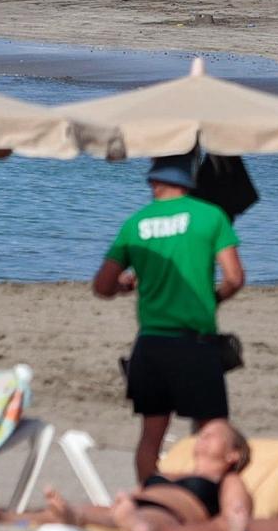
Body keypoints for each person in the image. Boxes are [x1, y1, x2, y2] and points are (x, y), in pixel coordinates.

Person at [95, 155, 246, 482]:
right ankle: (208, 504)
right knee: (214, 431)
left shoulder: (135, 223)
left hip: (151, 344)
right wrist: (211, 300)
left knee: (151, 435)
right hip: (195, 343)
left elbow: (102, 286)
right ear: (189, 181)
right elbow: (234, 277)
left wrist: (124, 286)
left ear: (155, 181)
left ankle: (151, 503)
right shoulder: (210, 216)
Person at [0, 419, 252, 531]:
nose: (203, 436)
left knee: (132, 516)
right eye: (202, 433)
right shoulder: (172, 471)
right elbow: (138, 493)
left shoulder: (226, 479)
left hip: (171, 517)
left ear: (232, 454)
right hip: (134, 507)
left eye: (214, 434)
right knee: (73, 513)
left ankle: (139, 526)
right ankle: (0, 518)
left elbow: (235, 515)